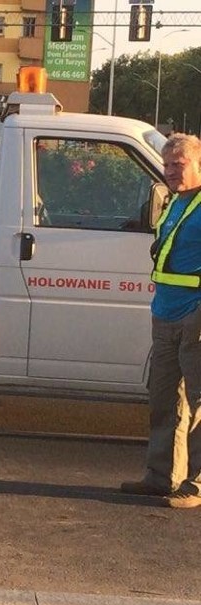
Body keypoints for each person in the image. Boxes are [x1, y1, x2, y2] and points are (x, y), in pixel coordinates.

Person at [121, 133, 201, 508]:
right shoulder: (174, 203)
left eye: (178, 165)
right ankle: (161, 478)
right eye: (167, 165)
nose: (169, 172)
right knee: (164, 398)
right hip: (166, 312)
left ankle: (196, 484)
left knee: (199, 403)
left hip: (195, 314)